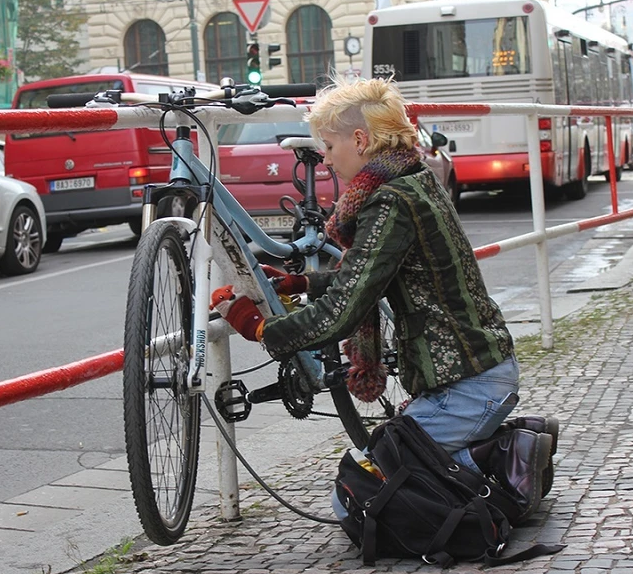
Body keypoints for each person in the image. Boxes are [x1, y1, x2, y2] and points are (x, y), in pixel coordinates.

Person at [211, 76, 557, 519]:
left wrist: (261, 328)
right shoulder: (415, 180)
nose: (327, 158)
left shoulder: (389, 202)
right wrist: (300, 284)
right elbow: (368, 275)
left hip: (467, 388)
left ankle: (503, 456)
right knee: (384, 475)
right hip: (480, 374)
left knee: (353, 502)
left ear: (360, 140)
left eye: (331, 147)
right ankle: (499, 448)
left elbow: (343, 312)